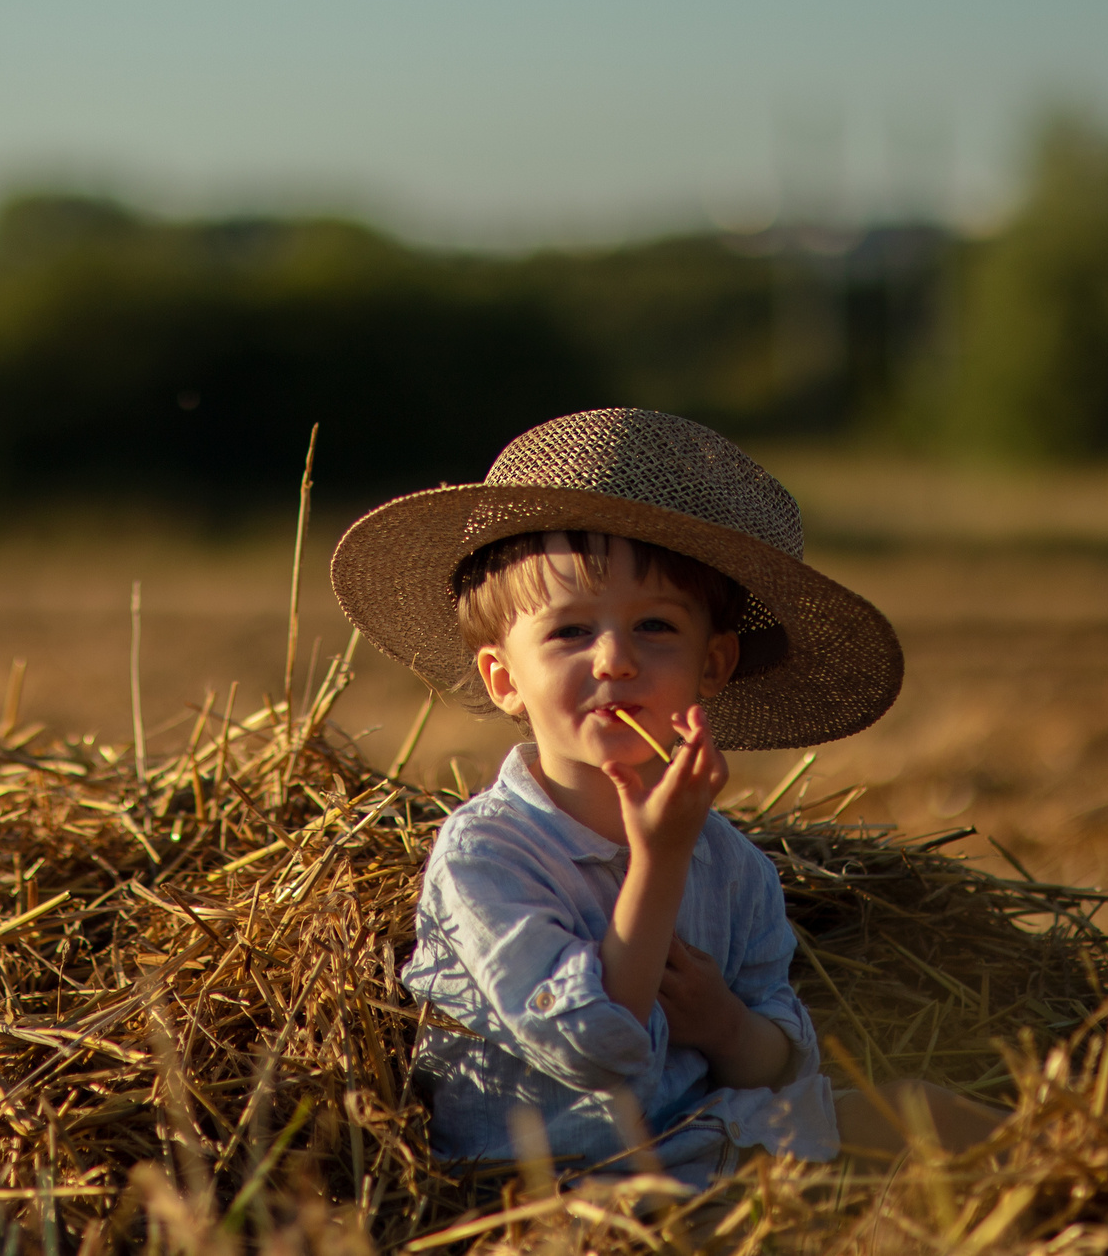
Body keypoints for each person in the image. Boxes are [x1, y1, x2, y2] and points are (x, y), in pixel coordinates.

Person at [328, 407, 1001, 1185]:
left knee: (919, 1108)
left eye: (654, 626)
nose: (614, 659)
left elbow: (783, 1063)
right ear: (504, 678)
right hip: (564, 1183)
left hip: (710, 1140)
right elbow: (592, 1047)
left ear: (712, 665)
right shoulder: (488, 853)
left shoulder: (730, 862)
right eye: (570, 632)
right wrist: (657, 861)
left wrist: (724, 1024)